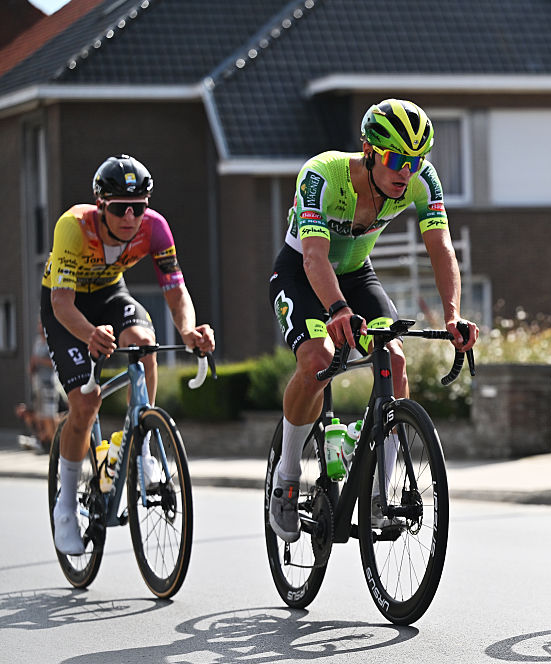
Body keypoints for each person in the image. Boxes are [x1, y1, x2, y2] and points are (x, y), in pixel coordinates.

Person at [267, 98, 479, 542]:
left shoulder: (422, 181)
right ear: (369, 151)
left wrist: (453, 314)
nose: (406, 172)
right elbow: (313, 256)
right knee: (318, 360)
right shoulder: (323, 175)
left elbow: (441, 248)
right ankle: (286, 477)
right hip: (302, 273)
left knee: (395, 360)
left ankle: (380, 495)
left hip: (356, 274)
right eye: (396, 160)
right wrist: (337, 309)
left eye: (415, 162)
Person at [42, 154, 216, 555]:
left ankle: (143, 448)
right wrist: (89, 334)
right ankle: (65, 506)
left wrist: (188, 331)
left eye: (138, 207)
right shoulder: (74, 226)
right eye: (121, 208)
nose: (130, 217)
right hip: (67, 304)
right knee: (85, 403)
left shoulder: (155, 228)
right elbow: (62, 304)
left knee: (143, 341)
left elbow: (175, 290)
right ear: (101, 205)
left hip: (109, 294)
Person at [14, 320, 63, 453]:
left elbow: (55, 362)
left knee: (50, 415)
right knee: (41, 415)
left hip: (49, 384)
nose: (39, 327)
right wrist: (31, 367)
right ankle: (47, 444)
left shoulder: (51, 342)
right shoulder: (37, 342)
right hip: (39, 384)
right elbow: (33, 359)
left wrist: (39, 360)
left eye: (41, 324)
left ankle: (56, 445)